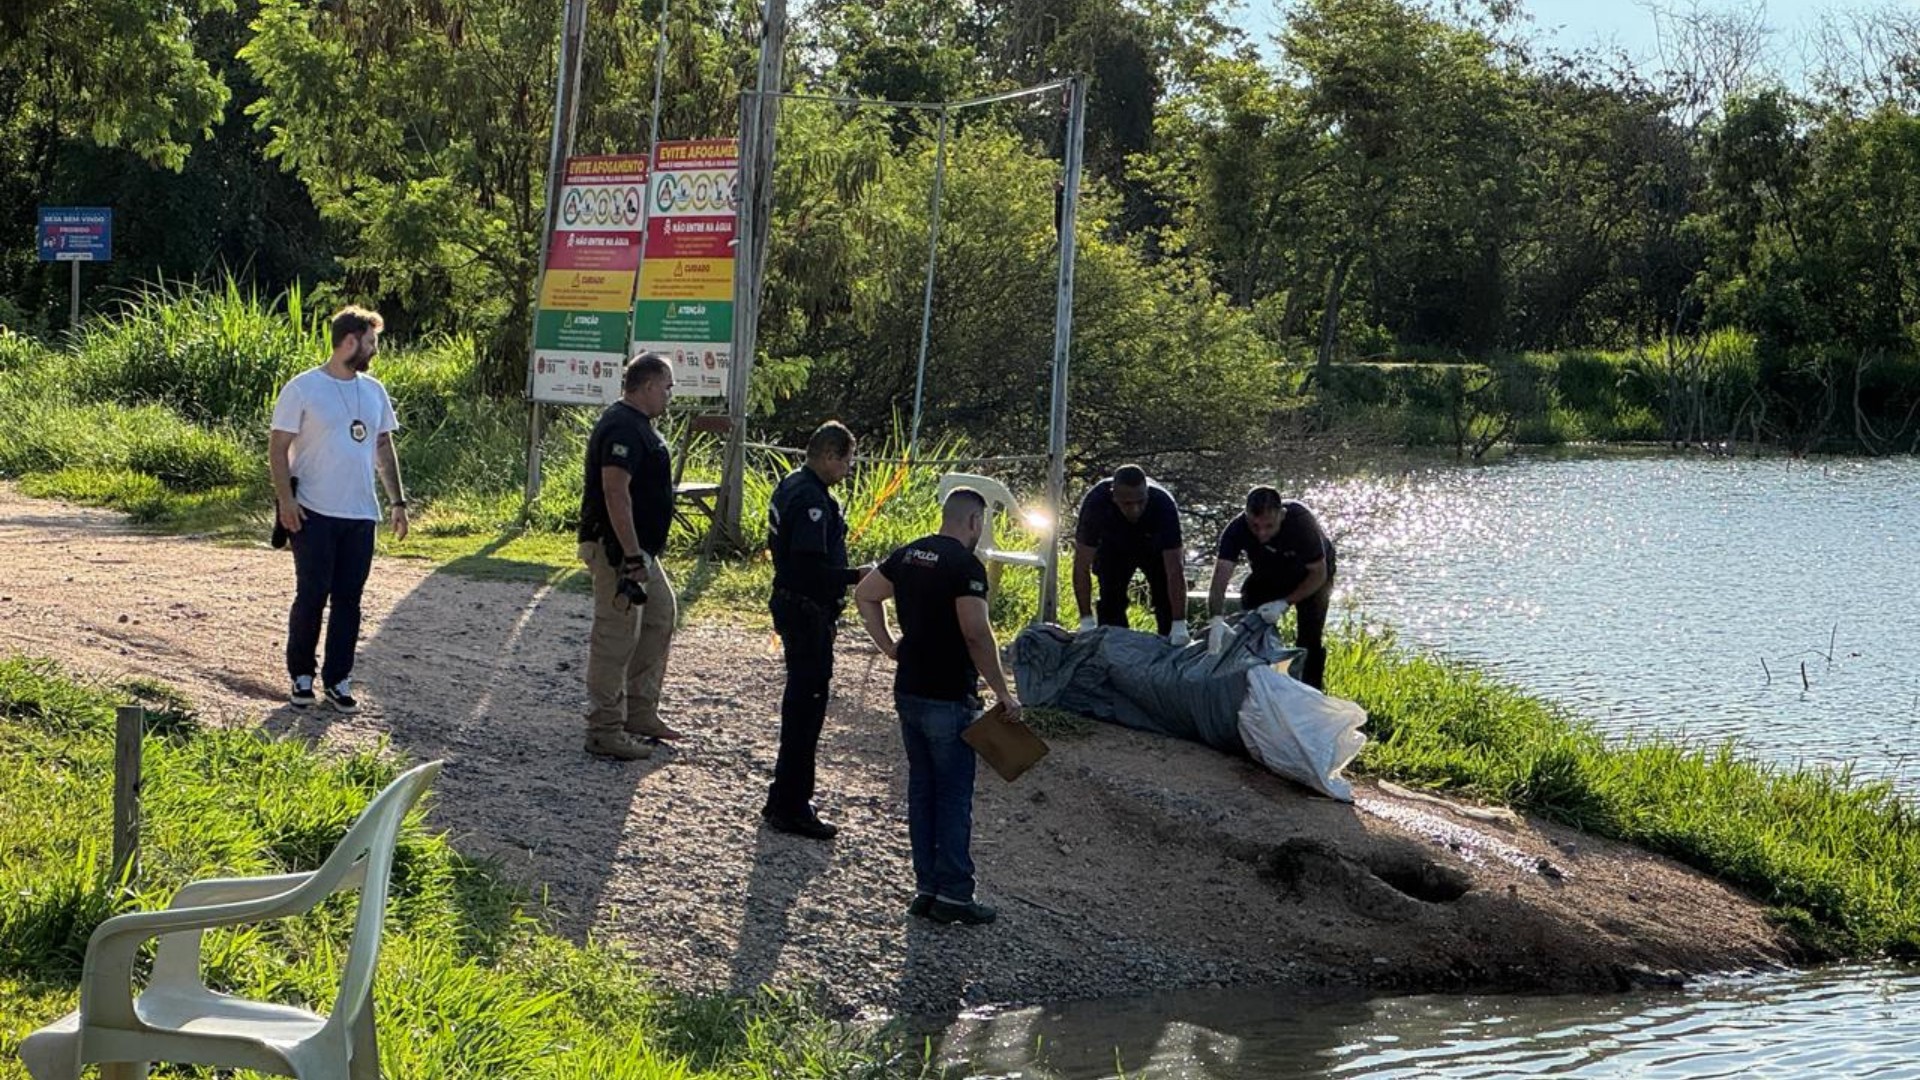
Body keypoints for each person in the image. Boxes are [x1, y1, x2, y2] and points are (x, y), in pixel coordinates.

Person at [854, 487, 1021, 926]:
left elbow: (866, 594)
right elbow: (975, 633)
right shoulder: (965, 566)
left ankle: (925, 886)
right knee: (952, 795)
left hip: (908, 688)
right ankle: (954, 893)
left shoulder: (910, 554)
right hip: (949, 694)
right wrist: (1003, 692)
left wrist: (889, 644)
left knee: (922, 789)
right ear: (974, 523)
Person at [270, 305, 409, 714]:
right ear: (350, 341)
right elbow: (277, 449)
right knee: (312, 595)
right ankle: (301, 676)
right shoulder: (303, 388)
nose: (374, 350)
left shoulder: (374, 391)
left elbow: (383, 447)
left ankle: (338, 679)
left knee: (350, 598)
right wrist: (286, 502)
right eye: (371, 341)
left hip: (360, 515)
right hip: (312, 512)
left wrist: (397, 502)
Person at [762, 420, 867, 840]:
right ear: (829, 455)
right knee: (806, 709)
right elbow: (809, 569)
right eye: (846, 460)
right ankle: (791, 804)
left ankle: (784, 797)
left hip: (793, 605)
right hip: (805, 610)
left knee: (801, 705)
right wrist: (856, 575)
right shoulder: (811, 499)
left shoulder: (792, 483)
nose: (847, 469)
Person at [576, 353, 682, 760]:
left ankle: (639, 711)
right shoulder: (621, 424)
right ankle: (603, 729)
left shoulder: (640, 426)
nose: (670, 395)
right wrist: (632, 556)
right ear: (649, 385)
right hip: (618, 551)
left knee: (659, 616)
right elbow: (615, 492)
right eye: (667, 387)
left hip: (640, 552)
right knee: (615, 635)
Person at [1207, 485, 1337, 689]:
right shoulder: (1236, 529)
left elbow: (1318, 574)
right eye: (1255, 526)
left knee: (1309, 636)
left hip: (1312, 575)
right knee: (1251, 620)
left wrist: (1284, 603)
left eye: (1268, 526)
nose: (1261, 533)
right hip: (1269, 570)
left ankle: (1311, 690)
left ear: (1281, 515)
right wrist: (1215, 619)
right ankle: (1256, 682)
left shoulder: (1300, 522)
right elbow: (1219, 582)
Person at [1071, 464, 1190, 645]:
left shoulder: (1163, 504)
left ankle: (1169, 646)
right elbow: (1081, 565)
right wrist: (1086, 620)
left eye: (1140, 502)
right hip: (1114, 547)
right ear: (1113, 495)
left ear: (1147, 494)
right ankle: (1113, 650)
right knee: (1111, 601)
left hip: (1154, 547)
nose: (1135, 510)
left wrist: (1179, 623)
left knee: (1165, 597)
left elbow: (1175, 570)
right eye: (1127, 503)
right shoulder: (1096, 503)